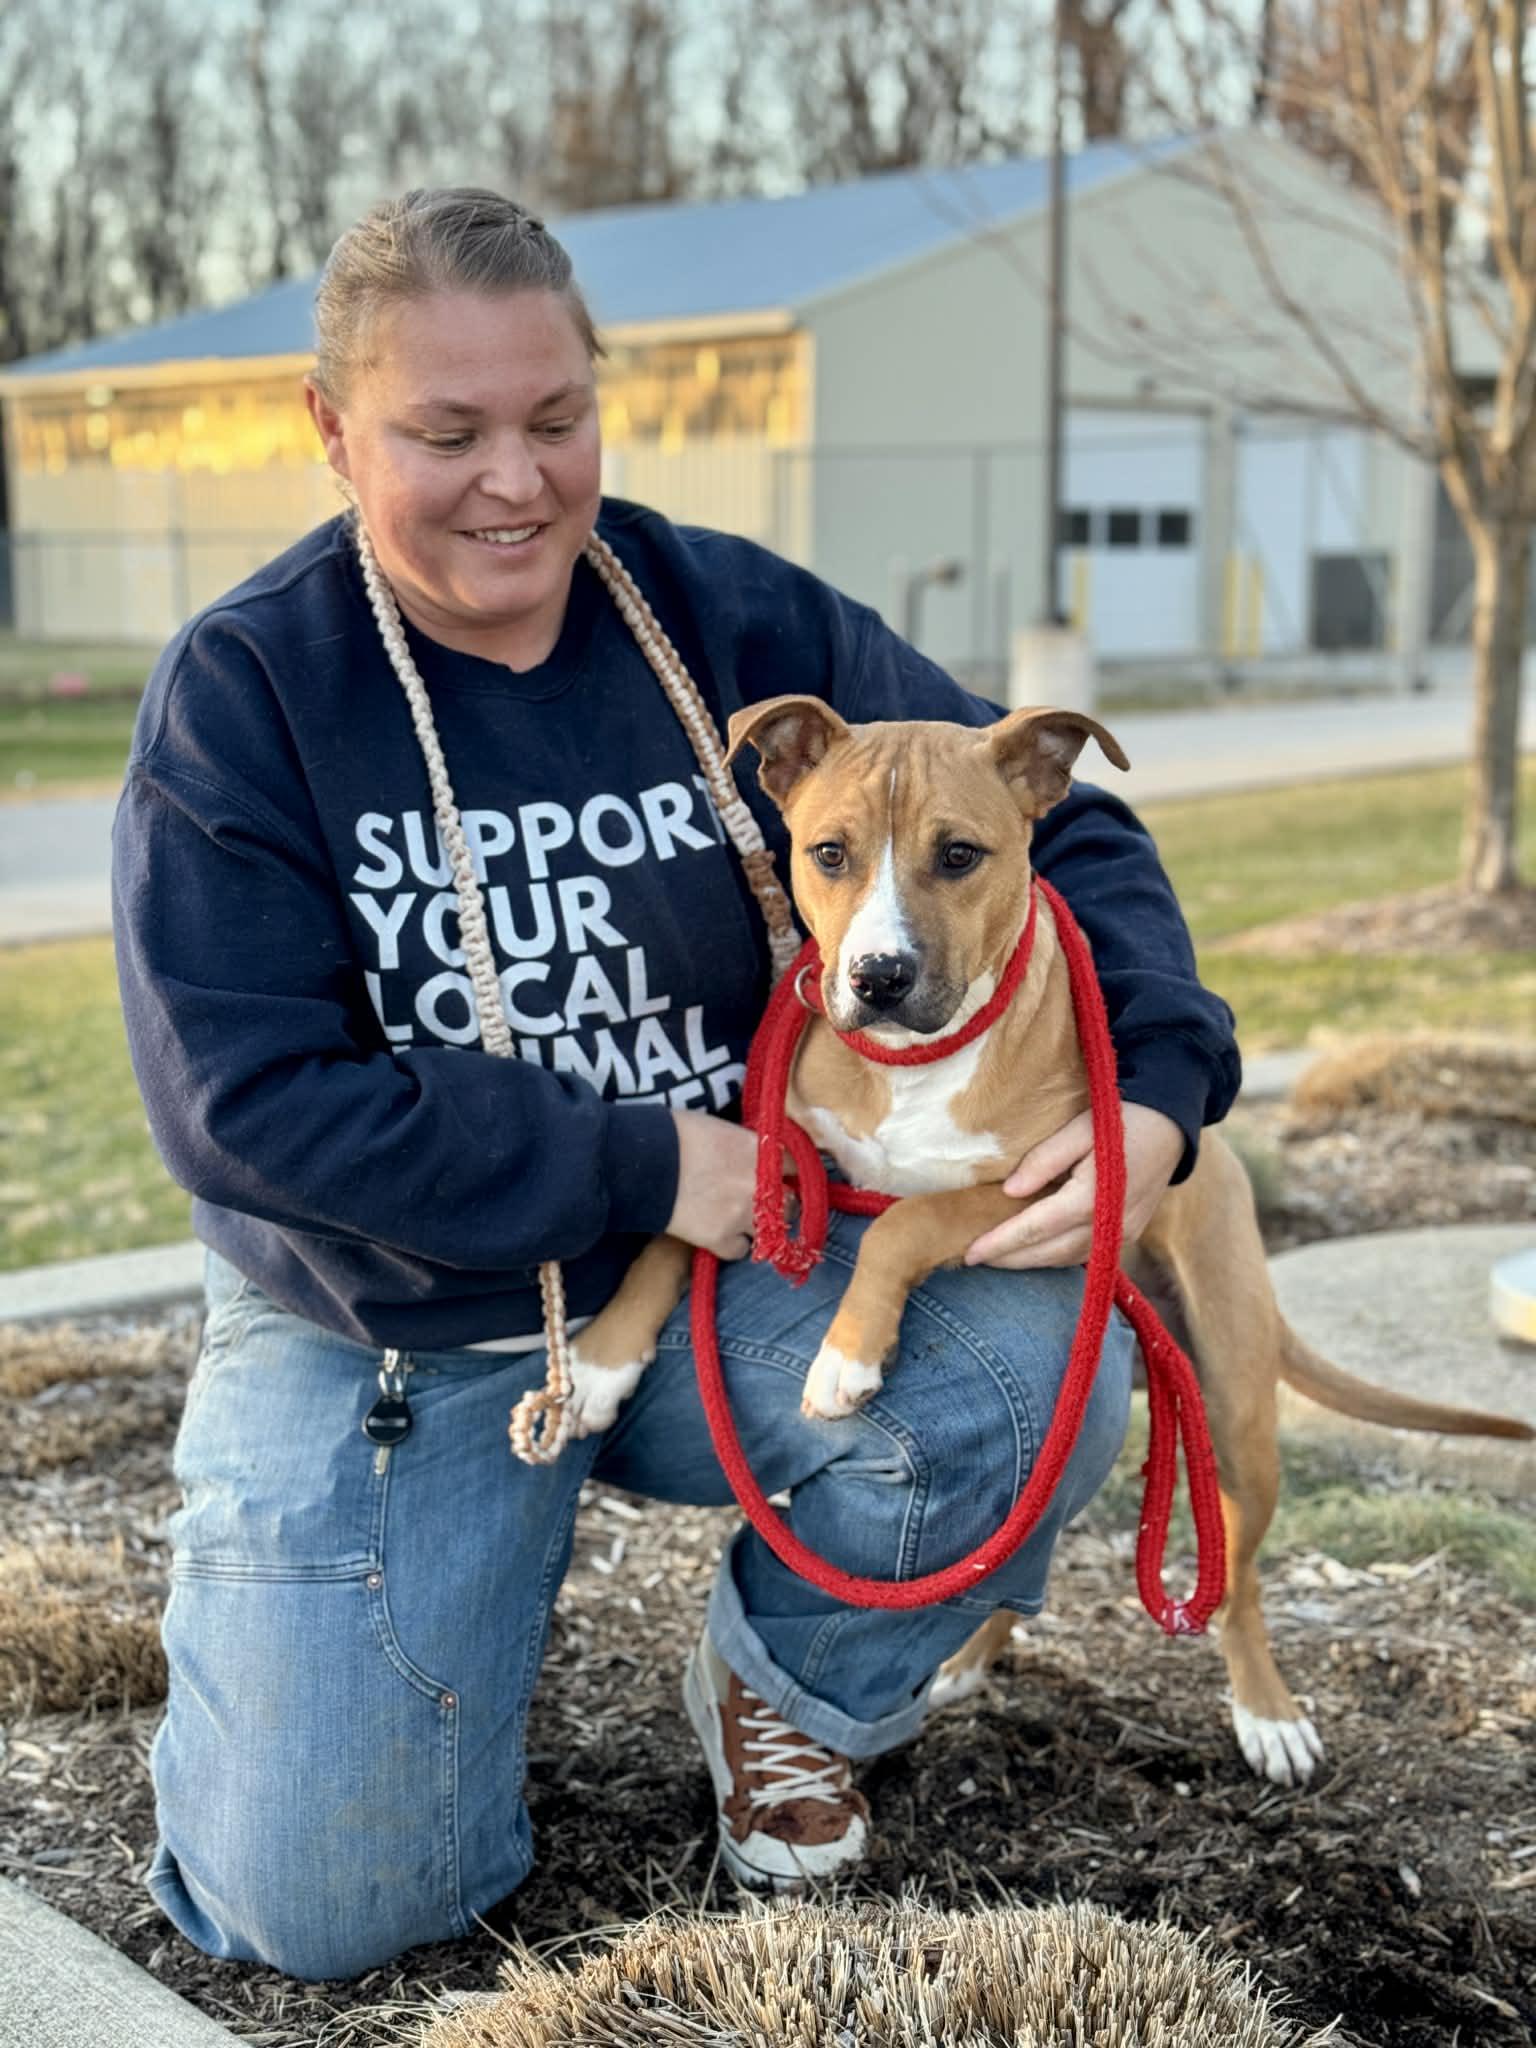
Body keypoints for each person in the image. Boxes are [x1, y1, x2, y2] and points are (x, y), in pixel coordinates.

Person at [112, 187, 1240, 1982]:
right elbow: (244, 1105)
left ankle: (786, 1682)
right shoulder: (249, 694)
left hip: (741, 1279)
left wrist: (1160, 1090)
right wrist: (642, 1165)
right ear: (330, 430)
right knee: (323, 1912)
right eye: (446, 432)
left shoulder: (719, 612)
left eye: (556, 420)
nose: (515, 480)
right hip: (402, 1327)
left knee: (1044, 1365)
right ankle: (351, 1657)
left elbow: (1053, 824)